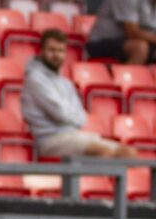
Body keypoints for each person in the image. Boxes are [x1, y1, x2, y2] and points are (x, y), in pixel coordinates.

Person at [23, 29, 137, 158]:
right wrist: (70, 116)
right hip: (50, 139)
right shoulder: (35, 79)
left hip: (74, 135)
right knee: (102, 152)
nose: (56, 55)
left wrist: (69, 116)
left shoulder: (66, 83)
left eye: (60, 50)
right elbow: (59, 113)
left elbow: (82, 118)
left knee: (128, 153)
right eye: (52, 50)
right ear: (41, 51)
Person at [86, 0, 156, 64]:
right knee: (140, 48)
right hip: (102, 42)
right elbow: (132, 32)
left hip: (136, 41)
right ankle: (128, 74)